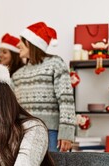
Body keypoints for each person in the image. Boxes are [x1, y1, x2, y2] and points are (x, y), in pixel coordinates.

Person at [12, 22, 76, 152]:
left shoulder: (55, 64)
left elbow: (66, 99)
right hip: (24, 132)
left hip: (50, 132)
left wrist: (66, 133)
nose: (18, 45)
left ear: (31, 43)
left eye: (21, 41)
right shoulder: (17, 75)